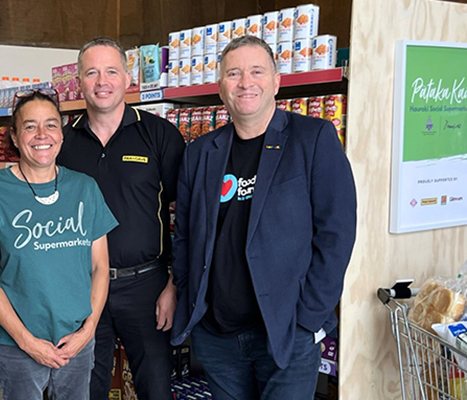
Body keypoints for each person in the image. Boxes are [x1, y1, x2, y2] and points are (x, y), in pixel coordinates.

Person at [171, 35, 357, 400]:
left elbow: (337, 232)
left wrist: (308, 319)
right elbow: (185, 235)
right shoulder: (200, 152)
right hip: (217, 335)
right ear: (221, 86)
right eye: (234, 74)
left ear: (276, 80)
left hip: (286, 333)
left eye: (257, 71)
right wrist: (186, 290)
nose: (245, 83)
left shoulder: (313, 138)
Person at [0, 89, 118, 400]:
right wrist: (28, 342)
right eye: (30, 126)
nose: (41, 134)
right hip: (19, 344)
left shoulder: (85, 188)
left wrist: (86, 333)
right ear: (15, 137)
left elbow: (100, 267)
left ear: (62, 133)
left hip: (77, 341)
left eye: (51, 124)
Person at [57, 37, 186, 400]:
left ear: (127, 78)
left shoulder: (159, 134)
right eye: (92, 72)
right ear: (79, 81)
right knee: (85, 387)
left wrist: (173, 285)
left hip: (147, 285)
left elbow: (187, 215)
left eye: (111, 71)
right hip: (80, 288)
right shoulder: (63, 143)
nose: (102, 81)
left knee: (155, 386)